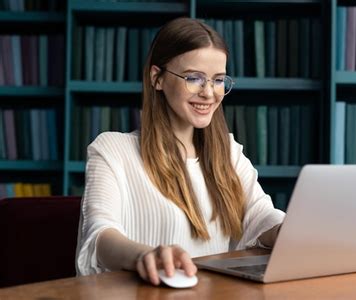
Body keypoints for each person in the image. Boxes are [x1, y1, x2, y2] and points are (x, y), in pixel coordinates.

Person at [75, 17, 285, 286]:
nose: (209, 93)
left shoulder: (229, 152)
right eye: (193, 78)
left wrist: (288, 232)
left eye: (218, 80)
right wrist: (145, 255)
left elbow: (260, 215)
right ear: (157, 78)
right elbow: (99, 235)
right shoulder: (112, 150)